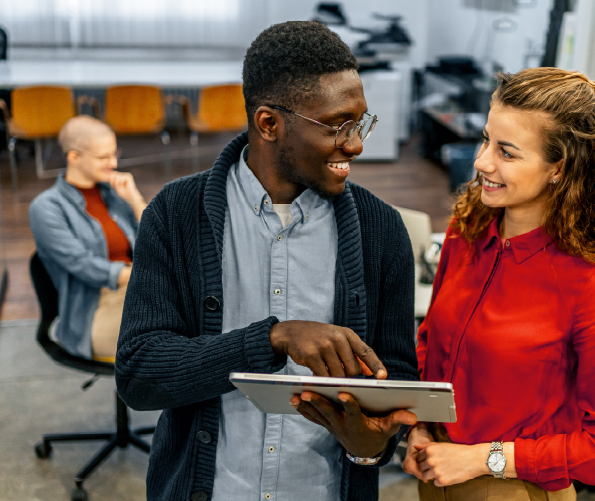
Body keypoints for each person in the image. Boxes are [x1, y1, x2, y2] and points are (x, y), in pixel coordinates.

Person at [114, 22, 418, 501]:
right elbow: (139, 374)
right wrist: (273, 338)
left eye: (360, 122)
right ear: (269, 124)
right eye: (338, 125)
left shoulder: (382, 231)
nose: (356, 144)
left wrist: (373, 447)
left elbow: (396, 378)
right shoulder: (175, 215)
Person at [405, 68, 595, 500]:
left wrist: (482, 459)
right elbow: (432, 342)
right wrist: (420, 423)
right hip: (435, 470)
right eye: (485, 140)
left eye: (507, 153)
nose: (481, 162)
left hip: (517, 487)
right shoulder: (467, 230)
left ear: (560, 167)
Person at [29, 115, 146, 360]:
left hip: (137, 291)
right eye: (103, 157)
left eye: (115, 154)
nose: (113, 163)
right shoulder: (47, 208)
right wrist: (148, 275)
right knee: (175, 333)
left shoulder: (114, 194)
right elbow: (83, 265)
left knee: (201, 317)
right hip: (95, 311)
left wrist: (135, 200)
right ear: (74, 157)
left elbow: (160, 239)